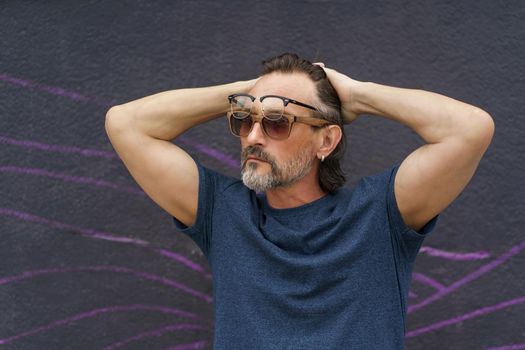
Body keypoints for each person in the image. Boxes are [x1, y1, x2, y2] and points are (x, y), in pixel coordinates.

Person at [104, 53, 494, 349]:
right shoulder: (222, 213)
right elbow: (126, 123)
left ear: (326, 140)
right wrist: (251, 91)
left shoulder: (381, 215)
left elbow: (470, 128)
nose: (254, 136)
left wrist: (357, 95)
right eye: (244, 118)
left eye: (276, 121)